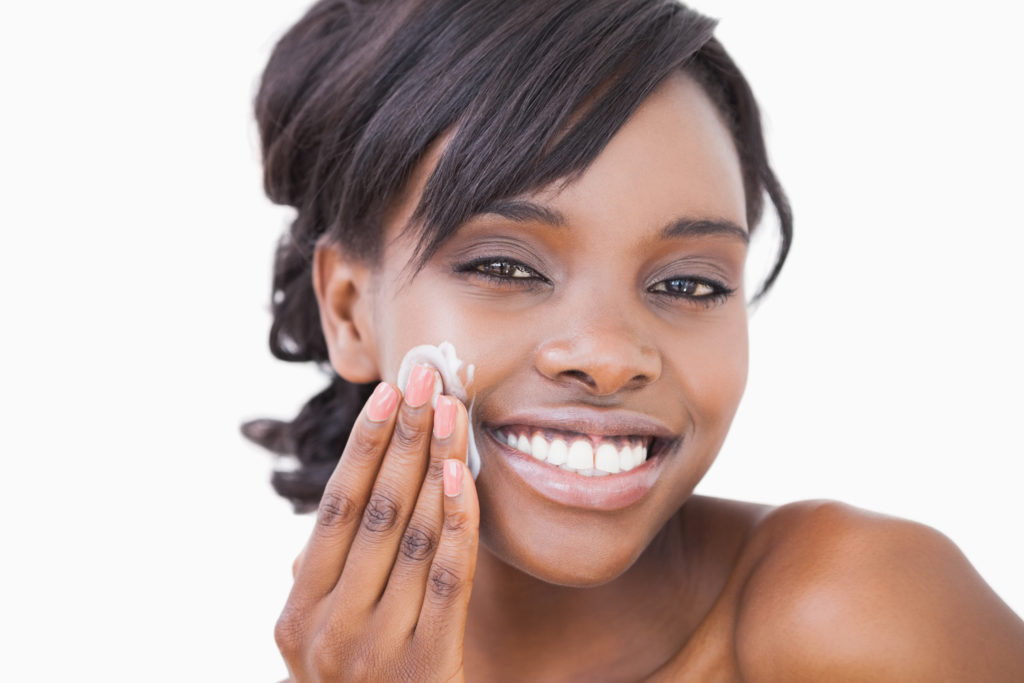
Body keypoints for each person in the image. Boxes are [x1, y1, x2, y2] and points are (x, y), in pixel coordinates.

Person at [243, 0, 1024, 679]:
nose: (612, 356)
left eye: (689, 285)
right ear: (348, 311)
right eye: (506, 266)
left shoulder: (856, 608)